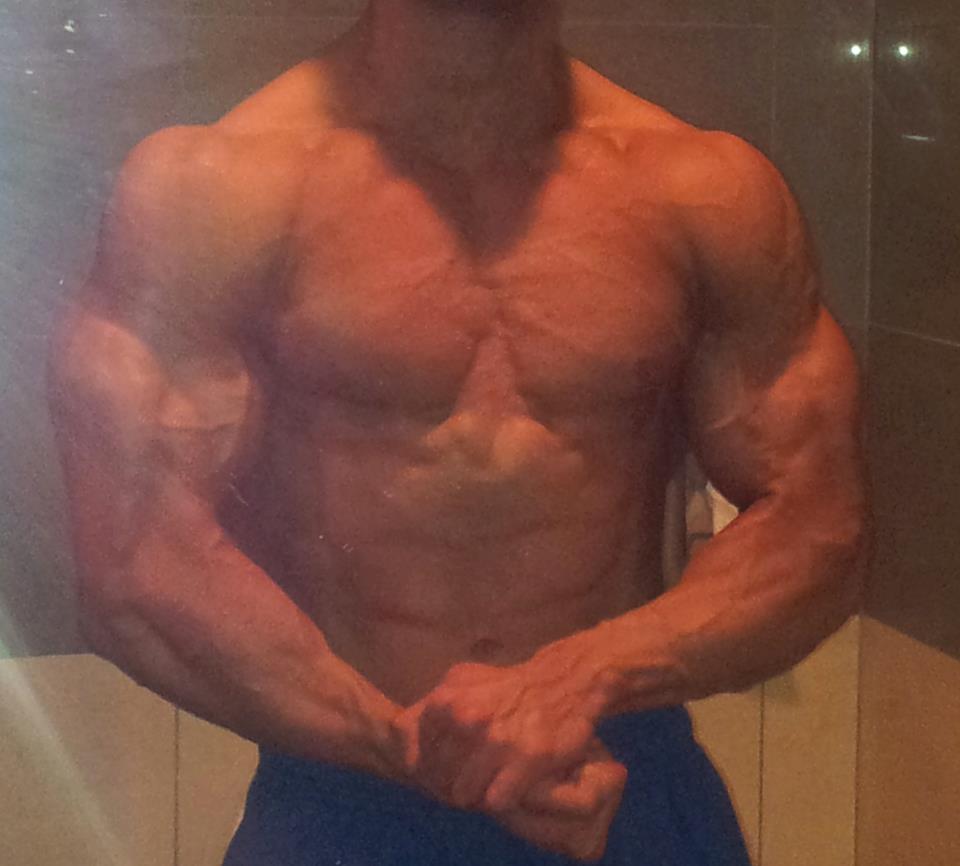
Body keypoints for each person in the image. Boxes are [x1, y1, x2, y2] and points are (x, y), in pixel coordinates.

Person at [46, 0, 870, 863]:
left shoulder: (703, 189)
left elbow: (819, 526)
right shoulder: (213, 189)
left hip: (621, 781)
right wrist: (408, 750)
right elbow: (136, 562)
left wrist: (586, 675)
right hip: (345, 797)